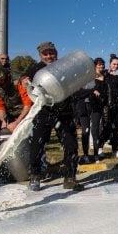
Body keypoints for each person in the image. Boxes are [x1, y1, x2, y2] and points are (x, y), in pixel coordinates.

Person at [25, 41, 84, 191]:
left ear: (56, 53)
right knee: (36, 146)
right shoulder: (35, 69)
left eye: (51, 53)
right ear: (40, 55)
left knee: (70, 145)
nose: (49, 56)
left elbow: (75, 85)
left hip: (64, 114)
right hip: (43, 114)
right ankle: (35, 175)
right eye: (45, 54)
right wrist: (24, 81)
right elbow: (25, 81)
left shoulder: (63, 68)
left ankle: (70, 177)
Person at [0, 61, 32, 133]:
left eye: (1, 78)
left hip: (27, 113)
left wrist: (17, 122)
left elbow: (28, 104)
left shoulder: (19, 80)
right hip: (12, 113)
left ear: (4, 72)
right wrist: (4, 121)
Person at [98, 54, 118, 159]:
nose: (116, 66)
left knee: (115, 128)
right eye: (114, 64)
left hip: (117, 106)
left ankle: (115, 149)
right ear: (109, 64)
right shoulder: (105, 75)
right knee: (106, 128)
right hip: (107, 106)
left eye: (117, 64)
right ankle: (99, 148)